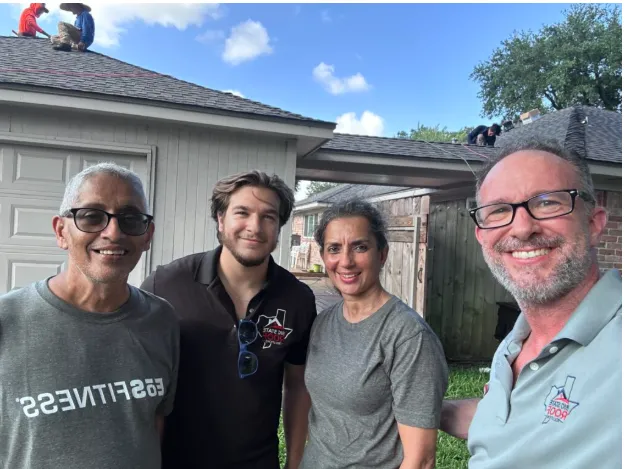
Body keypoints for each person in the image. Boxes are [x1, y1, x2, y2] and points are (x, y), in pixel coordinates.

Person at [440, 138, 622, 468]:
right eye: (498, 210)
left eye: (548, 203)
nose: (522, 228)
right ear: (482, 236)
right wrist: (425, 410)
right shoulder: (515, 342)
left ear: (594, 223)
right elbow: (518, 425)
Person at [0, 163, 180, 469]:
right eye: (92, 216)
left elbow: (154, 424)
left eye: (130, 219)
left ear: (147, 235)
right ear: (61, 231)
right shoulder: (8, 320)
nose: (113, 232)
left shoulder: (162, 320)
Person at [141, 170, 316, 469]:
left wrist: (294, 462)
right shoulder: (166, 285)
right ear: (221, 220)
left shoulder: (297, 299)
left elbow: (297, 385)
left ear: (279, 227)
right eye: (242, 213)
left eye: (268, 217)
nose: (255, 227)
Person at [300, 199, 449, 469]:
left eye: (360, 247)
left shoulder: (408, 336)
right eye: (334, 249)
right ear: (324, 257)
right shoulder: (322, 323)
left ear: (382, 254)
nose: (345, 261)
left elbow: (421, 459)